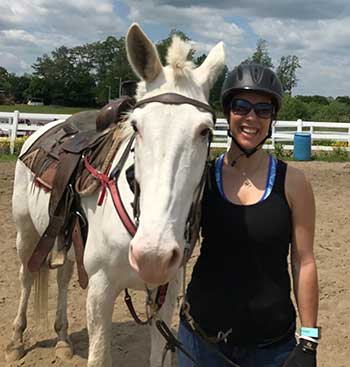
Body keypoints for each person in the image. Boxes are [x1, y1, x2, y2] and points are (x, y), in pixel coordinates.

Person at [177, 63, 319, 367]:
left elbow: (303, 260)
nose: (251, 118)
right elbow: (180, 247)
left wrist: (308, 341)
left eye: (263, 109)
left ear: (272, 118)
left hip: (271, 348)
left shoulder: (294, 182)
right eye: (241, 106)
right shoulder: (201, 179)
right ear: (228, 112)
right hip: (201, 342)